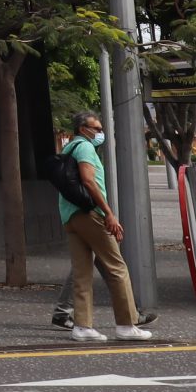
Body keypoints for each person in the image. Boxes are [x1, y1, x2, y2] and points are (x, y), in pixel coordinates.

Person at [57, 109, 150, 343]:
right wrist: (109, 213)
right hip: (90, 214)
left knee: (82, 272)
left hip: (70, 216)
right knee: (117, 267)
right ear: (83, 129)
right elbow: (88, 180)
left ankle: (82, 326)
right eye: (97, 128)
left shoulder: (68, 147)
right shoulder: (85, 147)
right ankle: (127, 324)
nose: (101, 132)